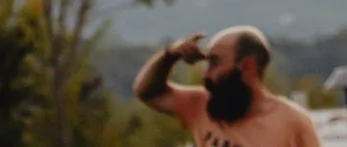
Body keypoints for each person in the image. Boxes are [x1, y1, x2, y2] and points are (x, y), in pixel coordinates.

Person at [135, 27, 323, 147]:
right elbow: (148, 92)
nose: (205, 75)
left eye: (214, 63)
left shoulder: (293, 122)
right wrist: (170, 55)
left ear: (247, 66)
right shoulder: (200, 105)